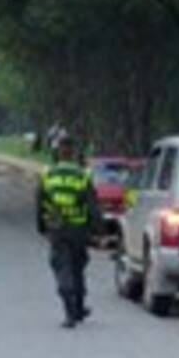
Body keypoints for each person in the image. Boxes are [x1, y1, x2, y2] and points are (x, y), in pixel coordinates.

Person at [36, 134, 100, 328]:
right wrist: (97, 231)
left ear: (58, 153)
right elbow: (92, 206)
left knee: (62, 267)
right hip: (78, 230)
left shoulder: (47, 175)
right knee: (78, 267)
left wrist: (42, 226)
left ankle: (70, 311)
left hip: (57, 229)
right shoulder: (83, 176)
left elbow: (40, 203)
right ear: (73, 153)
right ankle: (78, 307)